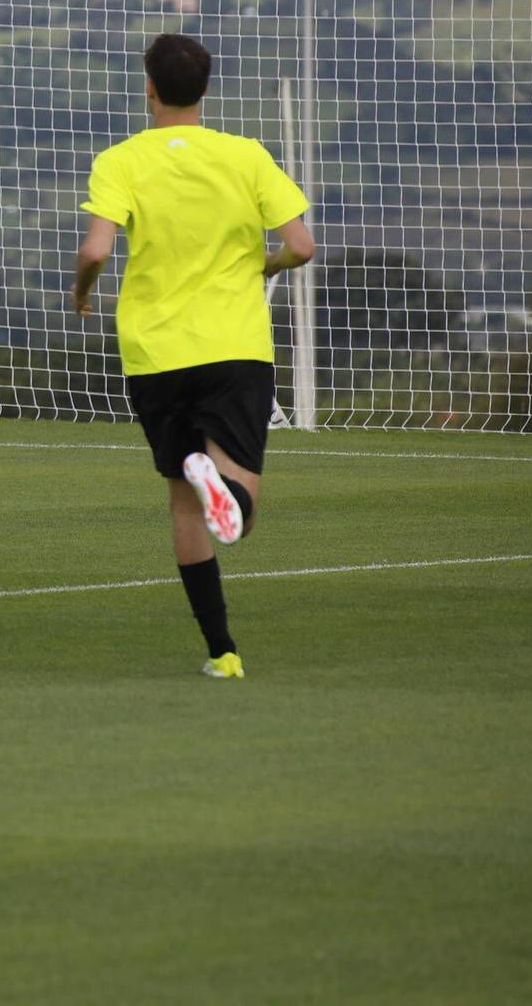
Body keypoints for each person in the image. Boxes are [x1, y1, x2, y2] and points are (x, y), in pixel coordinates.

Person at [72, 33, 316, 679]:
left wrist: (81, 293)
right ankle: (226, 483)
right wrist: (266, 263)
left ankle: (222, 650)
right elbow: (302, 244)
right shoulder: (246, 155)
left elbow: (96, 250)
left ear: (148, 87)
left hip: (155, 352)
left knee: (186, 507)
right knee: (239, 511)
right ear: (205, 91)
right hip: (234, 347)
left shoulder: (120, 160)